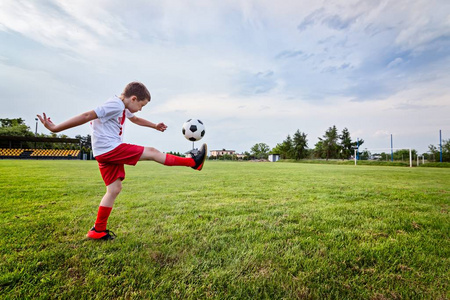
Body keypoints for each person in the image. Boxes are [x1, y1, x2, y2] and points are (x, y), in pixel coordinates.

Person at [37, 81, 207, 241]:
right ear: (133, 98)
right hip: (110, 148)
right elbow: (87, 115)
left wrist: (154, 126)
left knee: (114, 189)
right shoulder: (115, 104)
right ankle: (193, 162)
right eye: (141, 105)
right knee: (153, 152)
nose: (140, 109)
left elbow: (136, 119)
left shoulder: (123, 106)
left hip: (104, 152)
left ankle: (98, 230)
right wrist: (55, 128)